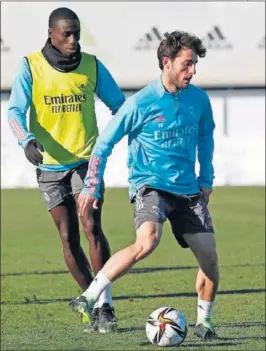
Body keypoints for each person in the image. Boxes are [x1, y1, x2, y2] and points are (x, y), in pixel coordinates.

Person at [69, 30, 219, 340]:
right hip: (149, 185)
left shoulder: (200, 100)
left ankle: (204, 323)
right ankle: (89, 297)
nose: (192, 71)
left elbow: (206, 139)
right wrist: (92, 185)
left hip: (188, 190)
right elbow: (103, 144)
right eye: (187, 65)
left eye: (195, 65)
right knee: (148, 240)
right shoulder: (141, 102)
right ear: (167, 63)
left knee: (209, 258)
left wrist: (206, 180)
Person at [8, 7, 125, 333]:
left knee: (91, 226)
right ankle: (91, 299)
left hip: (86, 161)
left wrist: (113, 142)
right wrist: (26, 141)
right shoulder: (30, 66)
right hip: (48, 166)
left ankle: (105, 306)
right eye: (67, 34)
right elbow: (15, 110)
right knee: (68, 239)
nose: (73, 40)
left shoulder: (92, 66)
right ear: (51, 34)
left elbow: (121, 107)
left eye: (77, 33)